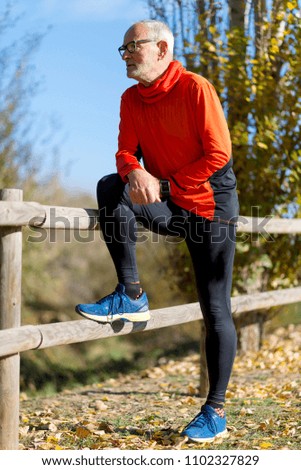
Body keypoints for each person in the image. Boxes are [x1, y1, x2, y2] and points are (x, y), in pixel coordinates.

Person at [75, 19, 239, 443]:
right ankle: (130, 293)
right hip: (166, 203)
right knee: (111, 186)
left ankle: (215, 410)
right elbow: (125, 151)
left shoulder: (196, 89)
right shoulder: (131, 98)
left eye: (134, 46)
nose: (125, 54)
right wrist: (133, 170)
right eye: (123, 48)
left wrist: (162, 184)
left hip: (210, 207)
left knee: (215, 308)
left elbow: (219, 155)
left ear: (163, 49)